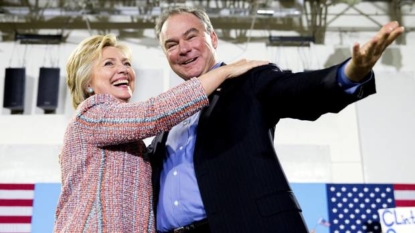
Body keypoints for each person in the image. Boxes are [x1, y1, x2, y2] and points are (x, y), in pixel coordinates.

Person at [148, 6, 405, 233]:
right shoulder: (167, 116)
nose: (183, 49)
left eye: (191, 36)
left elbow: (298, 90)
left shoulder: (248, 80)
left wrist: (350, 73)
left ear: (212, 38)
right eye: (171, 44)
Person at [53, 34, 267, 232]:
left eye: (126, 63)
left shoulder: (124, 135)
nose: (123, 69)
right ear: (87, 82)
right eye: (109, 63)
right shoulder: (91, 114)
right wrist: (224, 72)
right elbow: (154, 113)